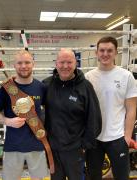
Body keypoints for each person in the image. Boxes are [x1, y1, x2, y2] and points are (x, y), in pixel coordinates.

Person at [43, 48, 102, 180]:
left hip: (75, 150)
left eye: (69, 62)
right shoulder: (47, 85)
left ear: (75, 63)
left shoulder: (85, 87)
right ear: (56, 63)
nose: (65, 66)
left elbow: (94, 118)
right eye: (61, 62)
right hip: (53, 149)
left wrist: (84, 146)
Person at [85, 36, 137, 180]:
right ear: (96, 53)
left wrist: (127, 137)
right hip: (94, 138)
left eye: (109, 50)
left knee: (121, 176)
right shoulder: (88, 77)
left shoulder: (126, 76)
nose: (105, 54)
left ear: (116, 53)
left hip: (118, 138)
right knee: (93, 176)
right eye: (102, 50)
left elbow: (132, 109)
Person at [0, 50, 49, 180]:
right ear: (14, 65)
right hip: (13, 146)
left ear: (33, 64)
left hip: (37, 144)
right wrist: (8, 121)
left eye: (27, 62)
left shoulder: (41, 87)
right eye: (20, 63)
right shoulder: (6, 88)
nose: (24, 66)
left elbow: (50, 110)